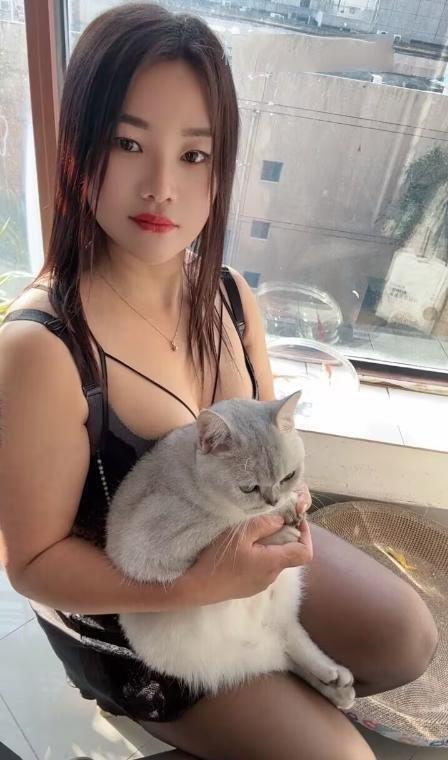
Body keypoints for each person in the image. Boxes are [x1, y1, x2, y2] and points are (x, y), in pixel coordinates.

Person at [0, 5, 438, 759]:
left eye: (194, 154)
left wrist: (288, 503)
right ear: (79, 146)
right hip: (137, 616)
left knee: (408, 637)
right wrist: (197, 587)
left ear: (221, 165)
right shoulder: (41, 349)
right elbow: (33, 566)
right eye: (128, 143)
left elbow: (269, 436)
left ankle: (270, 687)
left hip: (242, 547)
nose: (161, 186)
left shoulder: (231, 299)